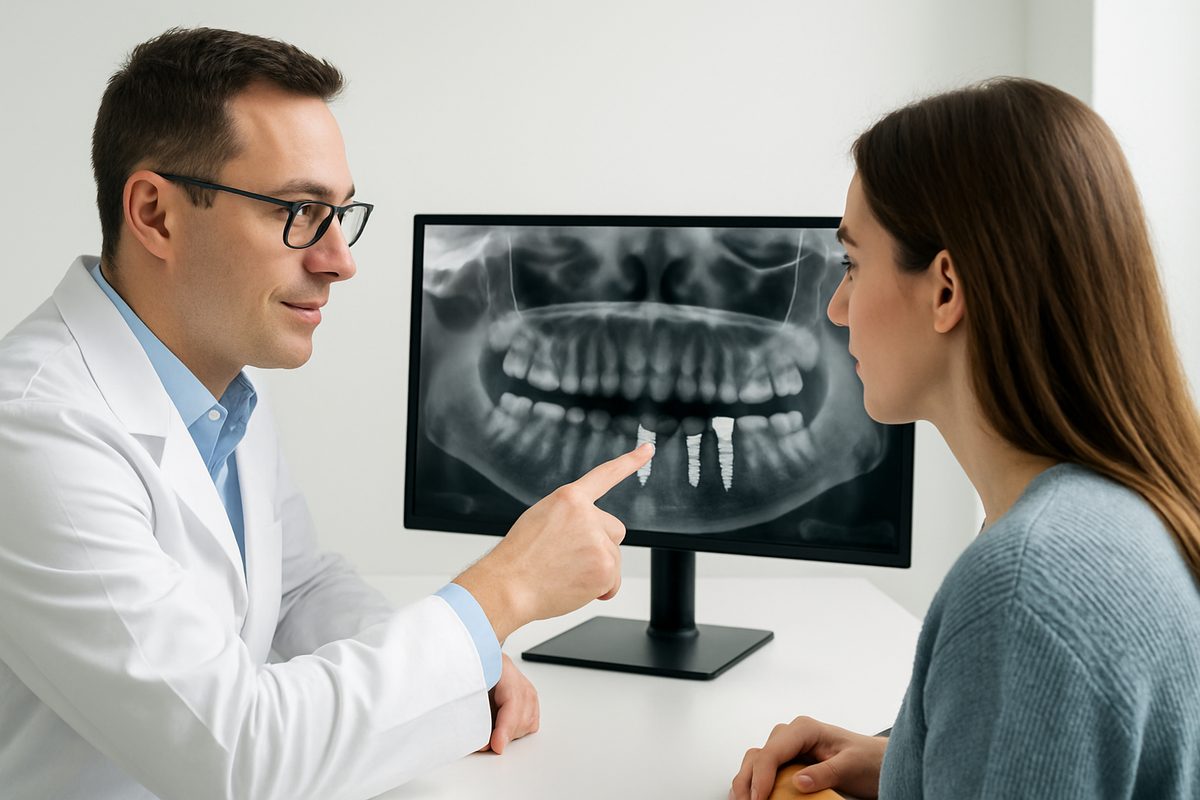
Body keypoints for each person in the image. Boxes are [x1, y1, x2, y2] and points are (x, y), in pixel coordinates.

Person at [0, 27, 651, 800]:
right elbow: (238, 759)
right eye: (300, 210)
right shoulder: (33, 432)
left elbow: (294, 591)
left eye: (341, 213)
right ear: (156, 214)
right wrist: (502, 594)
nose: (340, 260)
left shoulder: (218, 375)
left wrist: (456, 665)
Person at [731, 78, 1200, 799]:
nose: (836, 307)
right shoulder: (1118, 516)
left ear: (946, 288)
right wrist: (908, 763)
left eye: (852, 265)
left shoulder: (1027, 583)